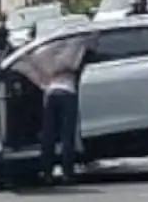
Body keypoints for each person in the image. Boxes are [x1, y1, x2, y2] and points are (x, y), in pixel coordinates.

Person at [19, 33, 96, 184]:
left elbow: (31, 67)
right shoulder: (73, 53)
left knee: (49, 135)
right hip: (68, 93)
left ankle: (47, 172)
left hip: (51, 94)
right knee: (67, 135)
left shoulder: (47, 55)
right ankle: (67, 172)